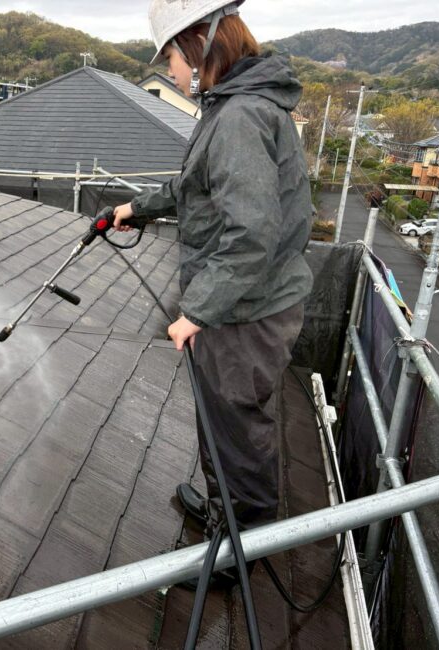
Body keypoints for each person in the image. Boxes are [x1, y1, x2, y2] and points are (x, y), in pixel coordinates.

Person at [113, 1, 313, 536]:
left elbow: (250, 235)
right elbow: (195, 187)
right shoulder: (231, 107)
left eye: (171, 59)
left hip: (246, 309)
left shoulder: (241, 117)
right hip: (242, 300)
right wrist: (135, 209)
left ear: (199, 47)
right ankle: (224, 508)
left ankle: (239, 544)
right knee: (223, 418)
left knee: (236, 423)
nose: (170, 72)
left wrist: (194, 312)